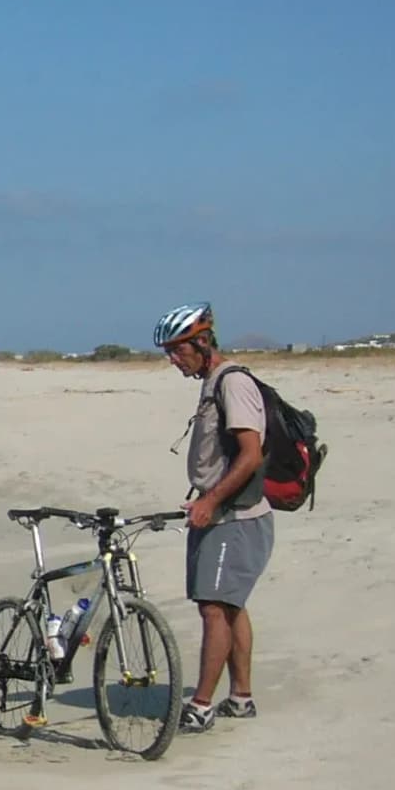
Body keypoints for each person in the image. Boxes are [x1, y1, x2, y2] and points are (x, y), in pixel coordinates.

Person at [155, 302, 273, 733]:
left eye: (177, 349)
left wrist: (210, 501)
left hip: (235, 518)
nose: (172, 359)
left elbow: (250, 456)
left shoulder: (232, 383)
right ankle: (240, 698)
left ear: (202, 342)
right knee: (229, 605)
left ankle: (201, 705)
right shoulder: (211, 383)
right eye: (168, 351)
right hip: (224, 513)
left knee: (214, 609)